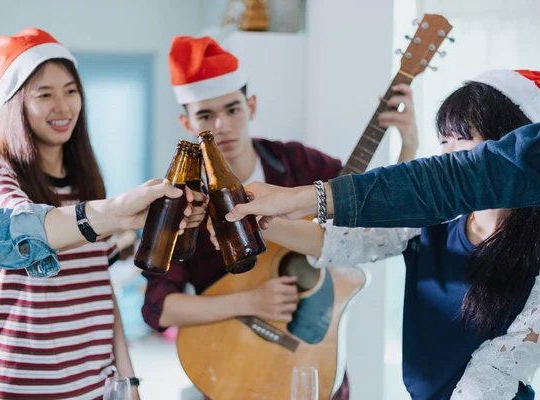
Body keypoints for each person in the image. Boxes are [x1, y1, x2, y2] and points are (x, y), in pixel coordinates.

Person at [226, 70, 540, 399]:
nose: (449, 156)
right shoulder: (431, 220)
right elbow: (341, 240)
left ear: (510, 149)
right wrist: (258, 219)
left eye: (463, 140)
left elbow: (492, 376)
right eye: (444, 140)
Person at [140, 35, 419, 399]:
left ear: (251, 106)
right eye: (206, 115)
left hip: (312, 358)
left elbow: (378, 213)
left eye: (232, 109)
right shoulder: (183, 198)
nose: (221, 125)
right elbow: (159, 307)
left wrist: (409, 144)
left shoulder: (300, 165)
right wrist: (249, 302)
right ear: (186, 122)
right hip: (232, 366)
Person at [0, 28, 203, 400]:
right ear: (16, 103)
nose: (63, 107)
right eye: (45, 94)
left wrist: (129, 380)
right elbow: (24, 227)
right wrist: (118, 212)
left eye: (71, 91)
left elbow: (100, 287)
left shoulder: (87, 184)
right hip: (20, 387)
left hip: (93, 384)